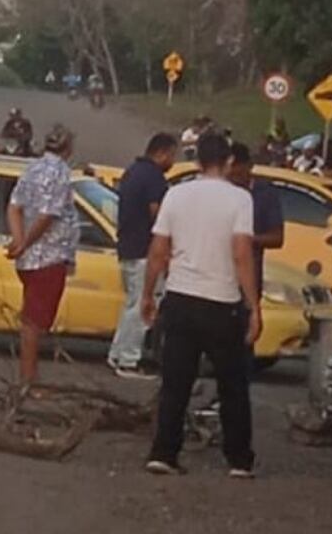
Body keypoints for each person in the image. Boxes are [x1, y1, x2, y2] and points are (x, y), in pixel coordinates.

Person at [141, 133, 260, 478]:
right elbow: (241, 254)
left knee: (175, 382)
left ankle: (164, 451)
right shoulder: (240, 200)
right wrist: (254, 305)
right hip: (222, 302)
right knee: (233, 385)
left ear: (196, 161)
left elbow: (159, 251)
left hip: (180, 298)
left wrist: (148, 294)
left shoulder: (176, 195)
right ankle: (238, 459)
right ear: (228, 162)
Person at [5, 125, 78, 388]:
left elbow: (14, 207)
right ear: (68, 148)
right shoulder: (61, 174)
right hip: (48, 256)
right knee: (34, 323)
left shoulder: (31, 169)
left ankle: (30, 377)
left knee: (32, 320)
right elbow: (48, 215)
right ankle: (28, 381)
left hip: (28, 259)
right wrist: (25, 242)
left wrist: (18, 240)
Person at [107, 133, 178, 379]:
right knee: (142, 306)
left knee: (131, 304)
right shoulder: (153, 178)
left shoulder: (132, 172)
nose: (173, 161)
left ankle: (118, 353)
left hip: (127, 248)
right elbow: (157, 214)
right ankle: (128, 360)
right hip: (144, 251)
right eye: (172, 155)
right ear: (161, 152)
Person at [228, 141, 284, 298]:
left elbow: (277, 238)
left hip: (248, 278)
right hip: (218, 280)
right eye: (230, 175)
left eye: (238, 175)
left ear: (250, 166)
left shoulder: (265, 194)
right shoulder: (219, 191)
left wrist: (247, 239)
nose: (235, 180)